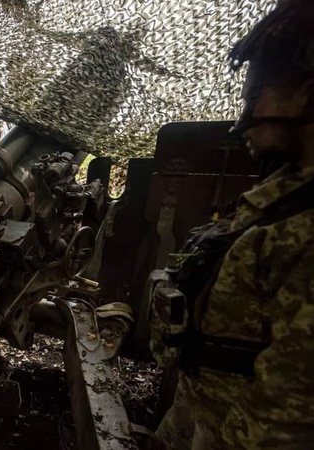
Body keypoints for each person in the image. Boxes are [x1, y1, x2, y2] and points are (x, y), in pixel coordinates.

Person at [153, 1, 314, 448]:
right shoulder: (282, 198)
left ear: (304, 93)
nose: (242, 122)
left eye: (253, 97)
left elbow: (289, 415)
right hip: (204, 410)